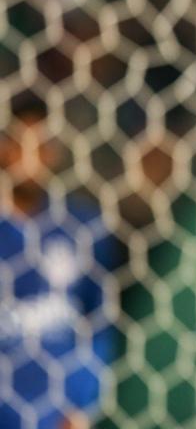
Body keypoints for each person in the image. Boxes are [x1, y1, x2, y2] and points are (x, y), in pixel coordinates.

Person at [0, 97, 114, 429]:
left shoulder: (81, 226)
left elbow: (100, 321)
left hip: (58, 414)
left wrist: (82, 406)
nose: (32, 158)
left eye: (43, 146)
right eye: (22, 144)